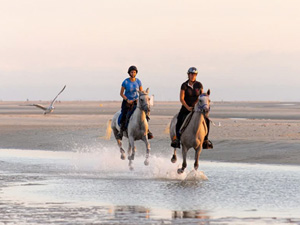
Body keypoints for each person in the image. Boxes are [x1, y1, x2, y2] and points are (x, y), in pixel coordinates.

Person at [171, 67, 213, 149]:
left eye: (194, 74)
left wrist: (198, 106)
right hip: (186, 107)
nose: (192, 76)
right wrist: (188, 107)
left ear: (196, 75)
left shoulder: (199, 85)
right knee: (180, 119)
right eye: (191, 74)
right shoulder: (184, 85)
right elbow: (181, 99)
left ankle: (205, 140)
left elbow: (201, 96)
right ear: (188, 75)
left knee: (206, 120)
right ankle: (177, 139)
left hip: (197, 108)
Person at [116, 65, 153, 140]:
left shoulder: (138, 81)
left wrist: (139, 98)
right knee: (124, 114)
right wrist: (127, 100)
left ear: (136, 73)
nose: (133, 73)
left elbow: (141, 92)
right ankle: (121, 131)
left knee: (144, 113)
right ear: (129, 73)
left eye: (134, 72)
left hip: (136, 101)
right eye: (132, 72)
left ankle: (147, 130)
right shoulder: (125, 82)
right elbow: (121, 93)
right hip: (127, 102)